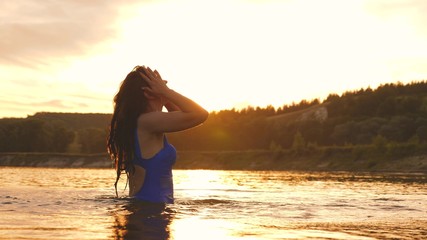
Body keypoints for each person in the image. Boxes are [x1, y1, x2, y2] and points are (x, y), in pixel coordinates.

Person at [107, 65, 208, 203]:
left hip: (148, 211)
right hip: (148, 213)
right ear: (148, 93)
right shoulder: (147, 121)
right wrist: (166, 92)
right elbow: (200, 114)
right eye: (160, 84)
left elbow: (180, 116)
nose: (164, 85)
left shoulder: (143, 122)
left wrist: (164, 97)